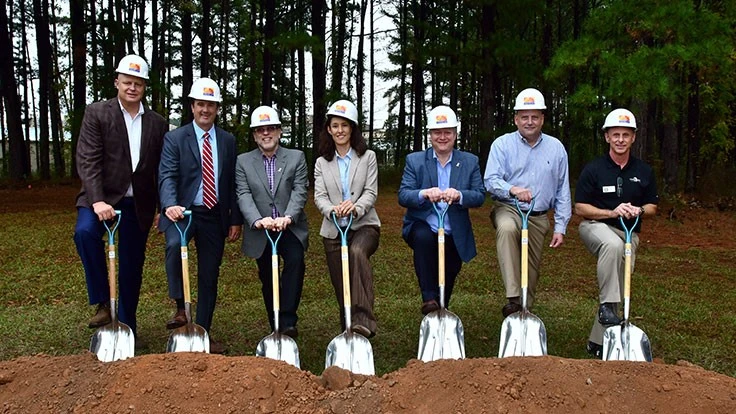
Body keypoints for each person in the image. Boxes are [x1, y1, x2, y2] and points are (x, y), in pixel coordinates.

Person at [74, 54, 168, 336]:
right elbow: (88, 159)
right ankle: (104, 300)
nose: (132, 88)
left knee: (131, 265)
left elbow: (162, 169)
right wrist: (97, 199)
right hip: (99, 197)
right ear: (117, 82)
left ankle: (126, 326)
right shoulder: (97, 113)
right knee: (85, 233)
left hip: (136, 204)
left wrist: (163, 207)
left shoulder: (157, 122)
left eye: (138, 84)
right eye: (127, 82)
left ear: (144, 87)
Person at [158, 78, 243, 354]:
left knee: (209, 274)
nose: (205, 109)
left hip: (213, 214)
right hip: (182, 211)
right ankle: (181, 307)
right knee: (173, 246)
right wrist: (170, 204)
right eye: (200, 104)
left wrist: (234, 218)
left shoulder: (228, 141)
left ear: (217, 108)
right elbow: (167, 174)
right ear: (192, 107)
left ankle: (203, 331)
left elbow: (231, 181)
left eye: (210, 105)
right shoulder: (175, 138)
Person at [574, 108, 658, 359]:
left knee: (620, 281)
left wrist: (638, 210)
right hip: (596, 226)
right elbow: (580, 208)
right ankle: (606, 306)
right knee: (612, 246)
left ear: (633, 138)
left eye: (625, 134)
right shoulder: (594, 169)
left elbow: (653, 206)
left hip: (630, 233)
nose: (620, 139)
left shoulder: (644, 171)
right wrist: (612, 212)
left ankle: (598, 342)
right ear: (607, 137)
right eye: (615, 134)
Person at [484, 87, 571, 317]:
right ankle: (513, 298)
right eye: (524, 117)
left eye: (534, 117)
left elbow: (563, 190)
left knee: (531, 268)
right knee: (507, 228)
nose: (529, 122)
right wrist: (512, 189)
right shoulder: (502, 145)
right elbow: (490, 180)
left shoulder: (556, 148)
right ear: (516, 119)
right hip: (508, 208)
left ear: (542, 119)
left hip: (538, 216)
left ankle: (524, 312)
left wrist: (560, 227)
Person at [398, 105, 486, 314]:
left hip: (454, 229)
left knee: (451, 268)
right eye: (437, 132)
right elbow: (404, 194)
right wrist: (424, 193)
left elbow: (480, 195)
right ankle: (429, 299)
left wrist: (460, 196)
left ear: (455, 134)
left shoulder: (469, 161)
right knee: (424, 239)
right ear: (430, 135)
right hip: (424, 224)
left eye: (447, 132)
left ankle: (441, 307)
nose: (443, 137)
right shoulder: (415, 160)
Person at [235, 106, 308, 339]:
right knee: (268, 275)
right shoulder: (243, 162)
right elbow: (243, 194)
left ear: (279, 131)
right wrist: (257, 220)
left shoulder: (296, 157)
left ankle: (287, 319)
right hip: (261, 228)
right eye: (260, 130)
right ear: (255, 135)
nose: (266, 134)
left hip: (289, 226)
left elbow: (300, 190)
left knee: (296, 262)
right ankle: (274, 323)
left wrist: (288, 217)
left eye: (270, 129)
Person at [314, 100, 381, 338]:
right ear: (329, 129)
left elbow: (371, 192)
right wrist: (332, 210)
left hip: (364, 225)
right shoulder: (322, 162)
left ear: (352, 128)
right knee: (340, 282)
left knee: (356, 252)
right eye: (335, 125)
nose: (340, 130)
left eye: (344, 125)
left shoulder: (367, 157)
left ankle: (364, 320)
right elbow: (319, 196)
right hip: (333, 229)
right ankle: (347, 328)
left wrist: (354, 207)